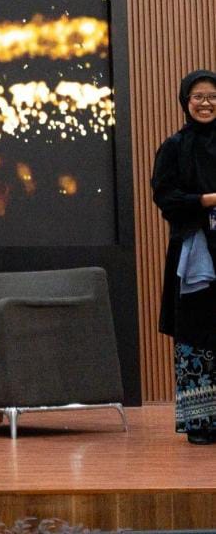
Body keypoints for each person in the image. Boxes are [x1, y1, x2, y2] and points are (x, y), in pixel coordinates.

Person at [152, 69, 216, 446]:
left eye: (212, 97)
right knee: (195, 337)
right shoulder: (174, 146)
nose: (206, 103)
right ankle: (201, 423)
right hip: (193, 256)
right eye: (198, 97)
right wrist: (207, 200)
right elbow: (166, 198)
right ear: (185, 101)